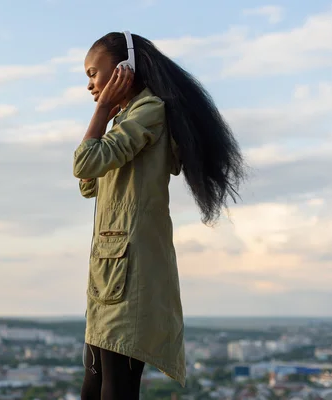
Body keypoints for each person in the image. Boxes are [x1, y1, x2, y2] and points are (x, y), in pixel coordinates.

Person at [72, 31, 246, 399]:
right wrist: (109, 115)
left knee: (116, 384)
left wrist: (101, 109)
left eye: (93, 73)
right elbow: (90, 183)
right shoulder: (128, 119)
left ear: (124, 69)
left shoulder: (149, 111)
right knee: (95, 375)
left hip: (129, 268)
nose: (90, 84)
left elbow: (86, 162)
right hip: (110, 268)